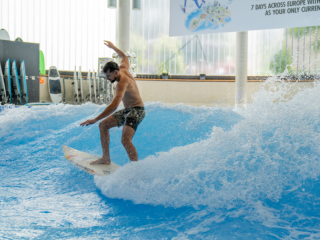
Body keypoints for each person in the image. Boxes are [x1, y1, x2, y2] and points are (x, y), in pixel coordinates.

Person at [80, 40, 145, 165]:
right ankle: (106, 158)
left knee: (125, 140)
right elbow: (124, 57)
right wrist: (113, 47)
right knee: (103, 125)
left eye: (109, 76)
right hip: (128, 110)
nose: (108, 79)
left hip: (137, 110)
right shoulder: (123, 68)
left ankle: (136, 169)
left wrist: (95, 119)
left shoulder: (121, 84)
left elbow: (114, 106)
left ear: (115, 73)